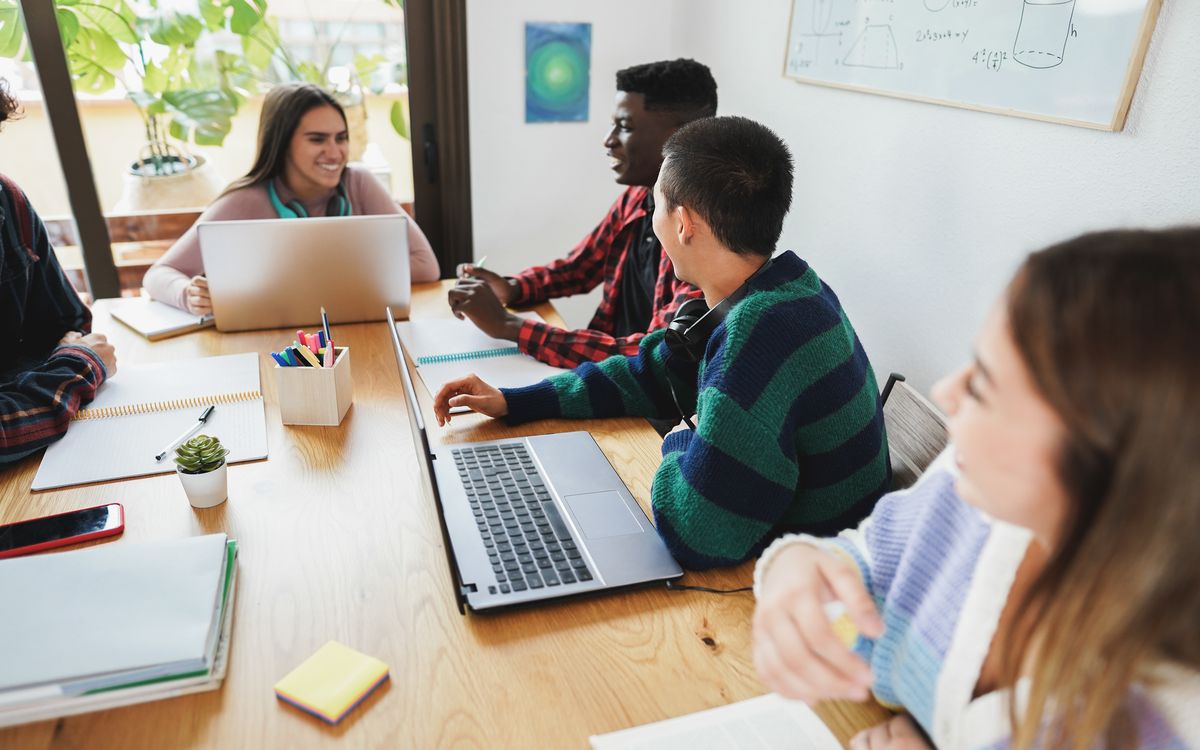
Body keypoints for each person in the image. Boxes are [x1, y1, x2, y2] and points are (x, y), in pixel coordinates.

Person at [752, 229, 1200, 748]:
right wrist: (794, 568)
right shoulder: (972, 489)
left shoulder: (1164, 724)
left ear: (1102, 459)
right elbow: (868, 561)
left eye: (984, 382)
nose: (946, 390)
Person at [432, 116, 889, 569]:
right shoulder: (783, 287)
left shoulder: (757, 335)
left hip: (808, 582)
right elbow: (644, 373)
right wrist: (515, 401)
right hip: (791, 551)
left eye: (655, 206)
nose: (652, 222)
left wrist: (680, 440)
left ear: (684, 222)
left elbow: (696, 535)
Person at [447, 59, 717, 369]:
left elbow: (652, 358)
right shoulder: (638, 196)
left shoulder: (705, 234)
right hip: (603, 373)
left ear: (681, 136)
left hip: (640, 390)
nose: (608, 139)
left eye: (625, 126)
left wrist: (508, 325)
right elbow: (580, 267)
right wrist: (512, 288)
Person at [144, 83, 439, 314]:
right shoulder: (245, 201)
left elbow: (426, 265)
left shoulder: (359, 183)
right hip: (275, 346)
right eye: (317, 139)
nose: (335, 153)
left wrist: (322, 277)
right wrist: (188, 295)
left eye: (341, 138)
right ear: (282, 143)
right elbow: (158, 274)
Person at [0, 81, 116, 464]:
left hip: (49, 457)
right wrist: (75, 368)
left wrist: (43, 377)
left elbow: (69, 328)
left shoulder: (8, 201)